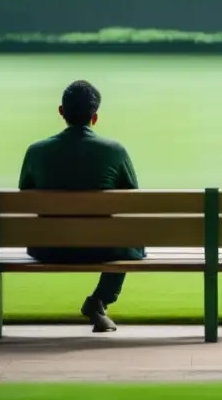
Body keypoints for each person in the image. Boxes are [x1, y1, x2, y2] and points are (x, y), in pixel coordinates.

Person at [18, 80, 145, 333]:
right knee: (133, 239)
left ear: (61, 112)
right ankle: (100, 300)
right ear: (94, 117)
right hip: (104, 249)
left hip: (48, 248)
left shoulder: (36, 151)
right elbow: (132, 200)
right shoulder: (115, 151)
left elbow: (25, 194)